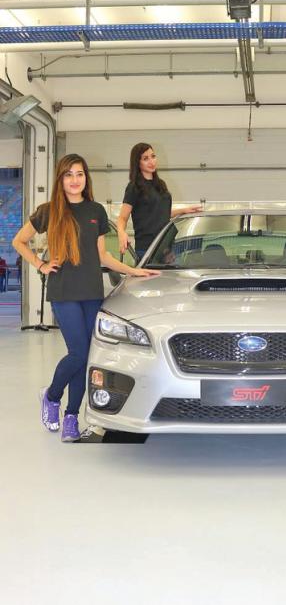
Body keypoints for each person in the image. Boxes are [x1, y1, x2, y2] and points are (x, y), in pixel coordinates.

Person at [12, 154, 158, 442]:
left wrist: (134, 271)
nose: (74, 180)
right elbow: (19, 241)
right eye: (68, 174)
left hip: (91, 292)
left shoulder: (96, 211)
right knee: (78, 353)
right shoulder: (48, 211)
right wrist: (40, 264)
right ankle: (52, 396)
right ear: (60, 179)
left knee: (87, 355)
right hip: (64, 292)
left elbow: (103, 255)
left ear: (85, 178)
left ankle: (71, 417)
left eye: (79, 174)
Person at [117, 143, 201, 260]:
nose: (151, 161)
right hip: (148, 249)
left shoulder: (160, 184)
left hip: (167, 245)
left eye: (153, 156)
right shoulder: (134, 187)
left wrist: (183, 210)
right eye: (145, 158)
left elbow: (160, 213)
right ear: (137, 162)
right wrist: (121, 233)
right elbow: (122, 217)